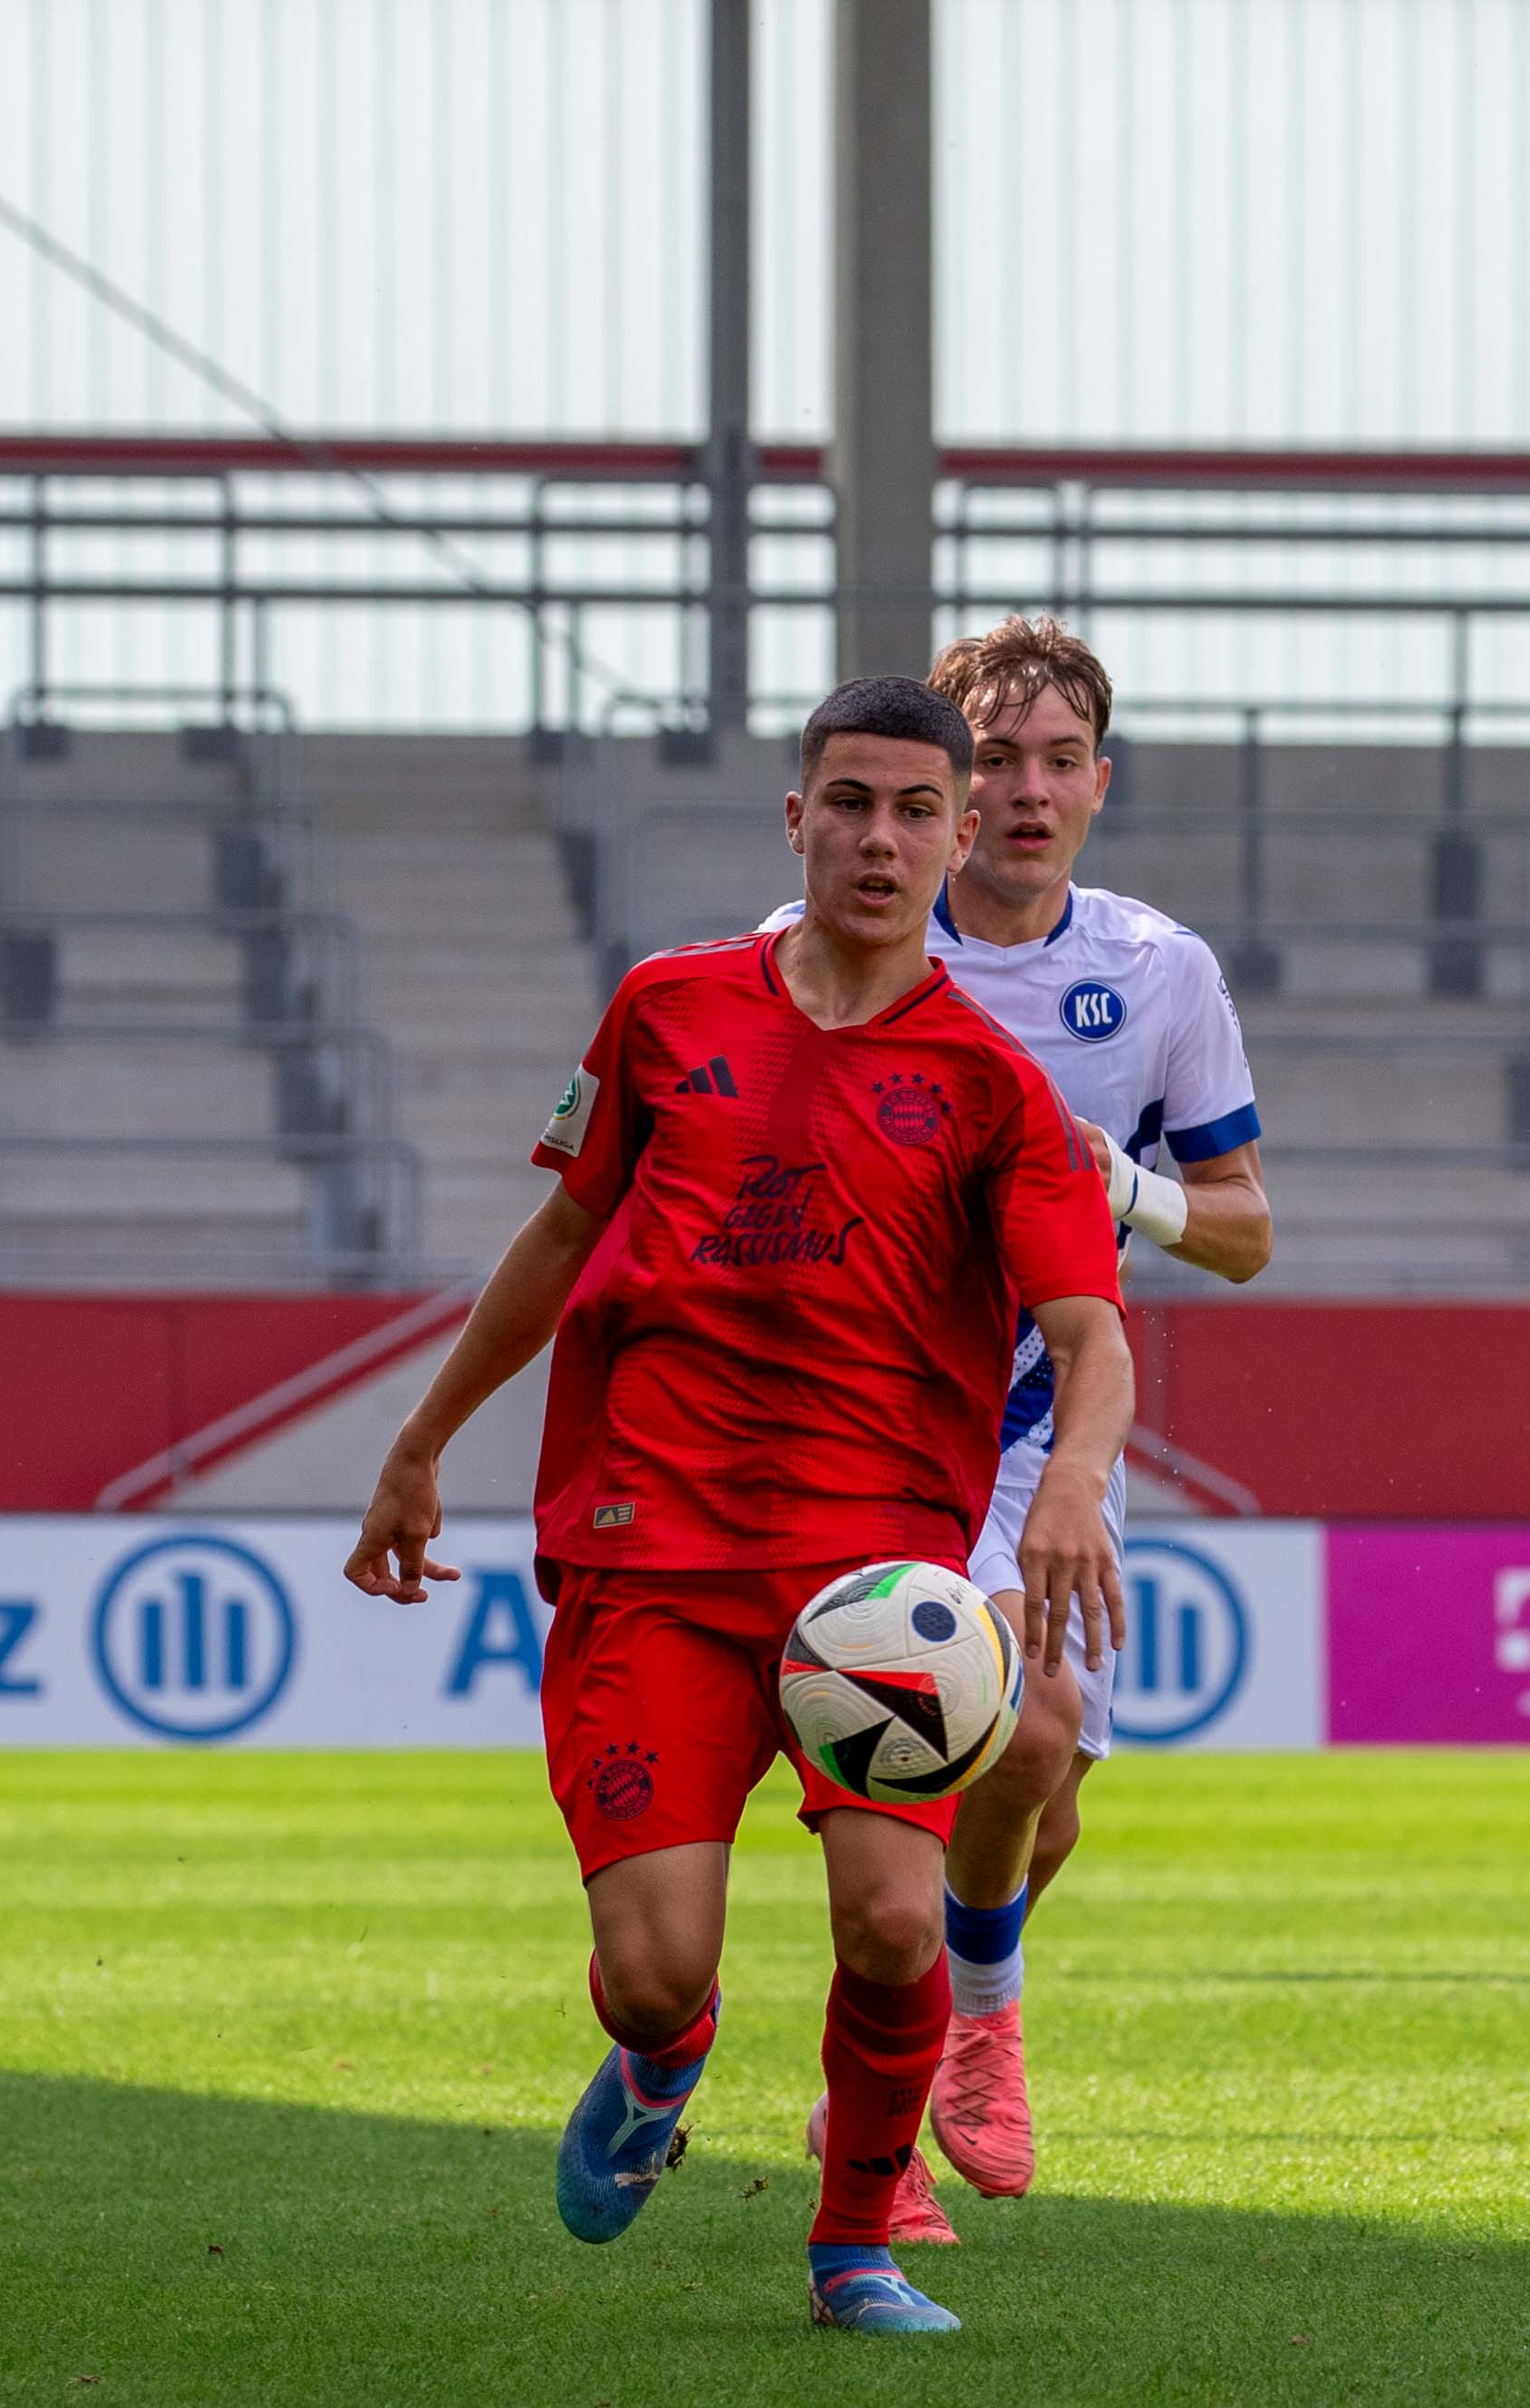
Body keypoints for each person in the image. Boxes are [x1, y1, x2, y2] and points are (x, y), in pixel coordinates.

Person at [344, 676, 1138, 2339]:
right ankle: (661, 2058)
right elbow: (559, 1239)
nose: (880, 836)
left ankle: (854, 2246)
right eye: (848, 801)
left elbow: (1088, 1327)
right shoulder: (663, 1009)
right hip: (653, 1552)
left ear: (956, 832)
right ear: (797, 819)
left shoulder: (993, 1087)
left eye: (916, 808)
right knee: (652, 1967)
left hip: (878, 1586)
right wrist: (421, 1441)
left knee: (892, 1917)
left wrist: (1068, 1471)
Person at [763, 616, 1271, 2218]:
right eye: (994, 760)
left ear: (1100, 786)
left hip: (1054, 1424)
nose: (1026, 792)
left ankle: (931, 2040)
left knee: (1036, 1797)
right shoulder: (823, 939)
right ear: (938, 786)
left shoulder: (1158, 970)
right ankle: (958, 2040)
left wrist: (1104, 1178)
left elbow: (1243, 1227)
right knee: (1009, 1730)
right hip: (871, 1417)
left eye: (1060, 762)